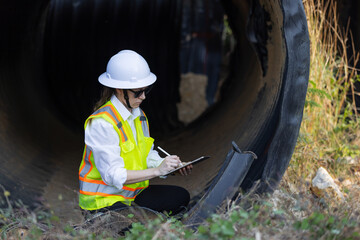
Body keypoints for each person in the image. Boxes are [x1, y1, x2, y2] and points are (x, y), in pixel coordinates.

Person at [78, 50, 192, 216]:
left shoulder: (140, 116)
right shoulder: (102, 123)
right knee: (129, 225)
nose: (143, 97)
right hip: (103, 203)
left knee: (179, 197)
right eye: (138, 91)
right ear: (119, 89)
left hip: (131, 197)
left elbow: (145, 156)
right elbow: (113, 175)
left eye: (146, 90)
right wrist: (157, 171)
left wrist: (168, 166)